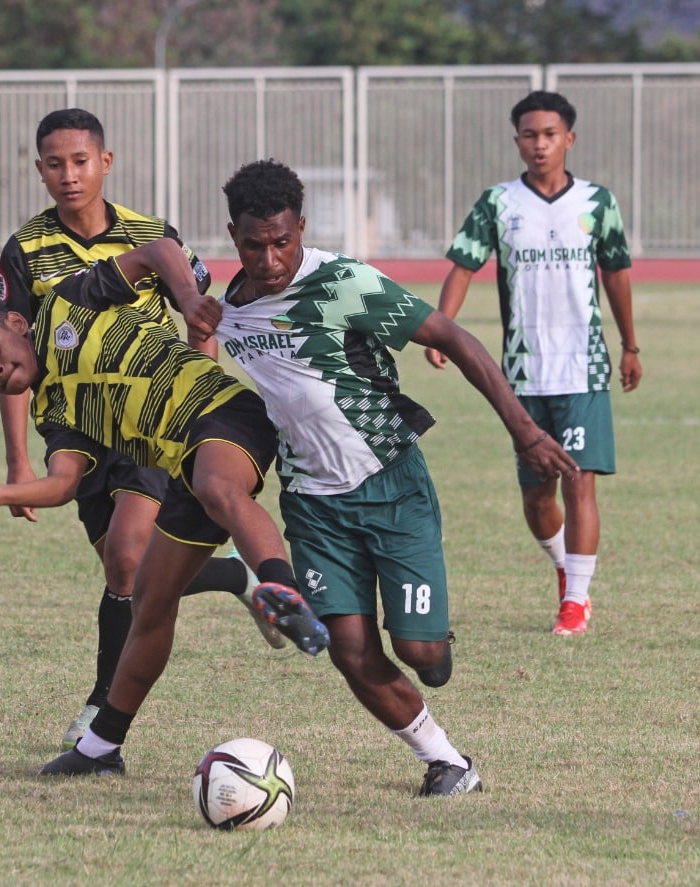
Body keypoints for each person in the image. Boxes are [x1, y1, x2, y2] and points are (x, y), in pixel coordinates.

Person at [215, 160, 579, 796]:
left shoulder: (344, 283)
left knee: (423, 657)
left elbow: (456, 338)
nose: (270, 258)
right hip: (312, 505)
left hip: (391, 484)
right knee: (349, 649)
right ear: (233, 236)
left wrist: (523, 430)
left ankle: (430, 636)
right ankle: (447, 762)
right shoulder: (227, 312)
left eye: (282, 241)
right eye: (254, 244)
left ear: (301, 228)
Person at [0, 236, 330, 778]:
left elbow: (158, 251)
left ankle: (283, 590)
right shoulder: (54, 409)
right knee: (148, 598)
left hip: (223, 414)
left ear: (16, 325)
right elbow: (64, 481)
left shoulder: (69, 299)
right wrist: (0, 493)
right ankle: (100, 751)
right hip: (183, 467)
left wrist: (188, 301)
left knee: (220, 490)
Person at [0, 108, 283, 751]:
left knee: (130, 554)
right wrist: (18, 461)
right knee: (121, 573)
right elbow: (11, 358)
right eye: (53, 163)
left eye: (79, 161)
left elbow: (200, 319)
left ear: (105, 162)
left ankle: (100, 719)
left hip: (152, 417)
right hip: (76, 424)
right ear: (38, 168)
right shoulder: (27, 249)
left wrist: (199, 412)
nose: (68, 175)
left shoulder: (154, 234)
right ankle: (237, 578)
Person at [426, 90, 642, 637]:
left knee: (580, 484)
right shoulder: (498, 204)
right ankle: (567, 570)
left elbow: (615, 272)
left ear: (569, 138)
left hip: (584, 368)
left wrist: (630, 345)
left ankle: (576, 602)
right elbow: (462, 267)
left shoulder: (597, 202)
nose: (539, 144)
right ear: (516, 139)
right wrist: (440, 332)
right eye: (529, 134)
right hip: (522, 373)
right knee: (537, 494)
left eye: (550, 134)